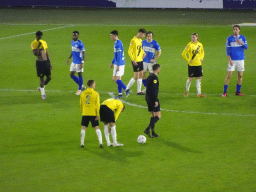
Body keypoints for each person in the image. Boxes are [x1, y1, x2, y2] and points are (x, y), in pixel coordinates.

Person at [222, 25, 248, 97]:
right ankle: (224, 92)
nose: (235, 31)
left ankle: (238, 92)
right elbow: (228, 50)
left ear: (239, 30)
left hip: (240, 59)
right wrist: (229, 59)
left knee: (240, 75)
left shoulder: (242, 37)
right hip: (232, 60)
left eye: (236, 29)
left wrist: (240, 42)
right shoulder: (229, 38)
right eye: (234, 29)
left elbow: (246, 47)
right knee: (229, 76)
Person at [80, 80, 103, 148]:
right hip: (93, 113)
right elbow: (97, 105)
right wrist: (97, 114)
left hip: (85, 113)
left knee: (83, 128)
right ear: (92, 85)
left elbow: (81, 104)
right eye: (94, 83)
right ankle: (101, 143)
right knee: (97, 127)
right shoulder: (96, 94)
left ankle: (82, 144)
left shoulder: (83, 93)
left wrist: (83, 112)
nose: (95, 84)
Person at [181, 33, 206, 97]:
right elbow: (183, 54)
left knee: (199, 78)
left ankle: (199, 93)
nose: (192, 38)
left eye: (193, 37)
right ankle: (186, 91)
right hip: (192, 65)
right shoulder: (189, 45)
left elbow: (202, 52)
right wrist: (188, 60)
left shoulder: (200, 44)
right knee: (190, 78)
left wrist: (201, 58)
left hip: (198, 64)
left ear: (197, 38)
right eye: (191, 37)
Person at [31, 31, 52, 100]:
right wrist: (39, 47)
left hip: (46, 62)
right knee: (41, 79)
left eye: (41, 36)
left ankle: (41, 88)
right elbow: (35, 54)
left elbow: (47, 52)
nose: (40, 37)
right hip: (40, 63)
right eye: (39, 36)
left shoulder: (44, 42)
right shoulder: (33, 43)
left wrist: (50, 63)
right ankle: (43, 94)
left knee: (49, 78)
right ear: (36, 36)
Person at [126, 28, 147, 95]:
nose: (144, 36)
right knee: (136, 77)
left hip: (140, 60)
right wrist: (133, 59)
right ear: (140, 33)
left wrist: (143, 53)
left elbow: (140, 49)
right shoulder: (133, 40)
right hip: (135, 60)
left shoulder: (140, 40)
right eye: (144, 35)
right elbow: (129, 51)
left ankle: (138, 91)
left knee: (141, 75)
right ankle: (126, 89)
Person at [144, 64, 161, 138]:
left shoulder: (150, 76)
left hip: (148, 97)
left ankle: (153, 132)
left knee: (153, 115)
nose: (160, 70)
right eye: (159, 68)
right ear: (157, 69)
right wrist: (155, 100)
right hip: (152, 98)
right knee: (158, 116)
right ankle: (147, 129)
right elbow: (154, 90)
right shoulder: (154, 77)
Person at [109, 30, 128, 99]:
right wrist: (112, 62)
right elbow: (116, 55)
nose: (110, 37)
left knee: (115, 78)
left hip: (119, 63)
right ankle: (120, 94)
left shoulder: (118, 44)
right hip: (117, 63)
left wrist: (118, 65)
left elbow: (119, 55)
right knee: (119, 79)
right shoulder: (116, 43)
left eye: (111, 35)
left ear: (115, 35)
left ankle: (126, 89)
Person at [66, 31, 85, 95]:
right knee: (71, 75)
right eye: (73, 35)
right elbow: (72, 51)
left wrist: (82, 62)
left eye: (75, 35)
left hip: (79, 62)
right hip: (74, 61)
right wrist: (69, 58)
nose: (73, 36)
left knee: (79, 74)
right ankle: (81, 86)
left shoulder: (80, 44)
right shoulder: (72, 42)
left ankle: (79, 90)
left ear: (77, 36)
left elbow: (83, 53)